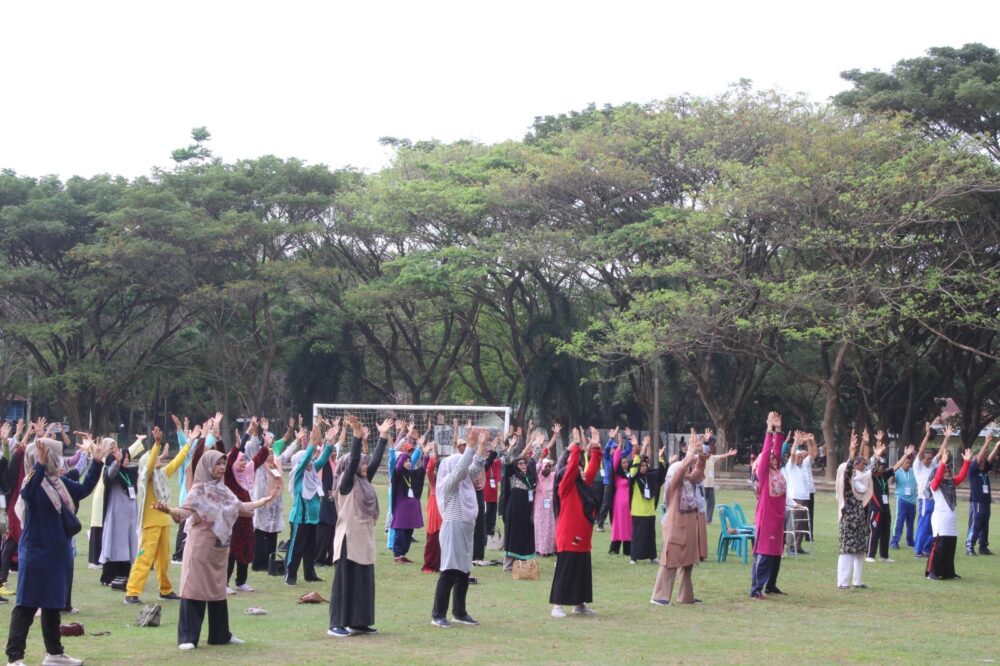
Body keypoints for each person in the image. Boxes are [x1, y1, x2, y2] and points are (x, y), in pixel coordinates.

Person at [155, 448, 277, 650]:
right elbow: (184, 512)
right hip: (200, 548)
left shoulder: (224, 490)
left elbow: (240, 507)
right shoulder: (199, 491)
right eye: (218, 464)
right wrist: (168, 510)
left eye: (223, 463)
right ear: (207, 466)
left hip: (219, 550)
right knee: (194, 590)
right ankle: (188, 637)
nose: (222, 467)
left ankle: (220, 635)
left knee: (218, 592)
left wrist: (263, 501)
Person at [5, 434, 109, 666]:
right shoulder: (32, 482)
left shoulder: (57, 482)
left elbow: (83, 490)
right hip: (36, 553)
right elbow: (27, 492)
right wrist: (40, 465)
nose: (59, 460)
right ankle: (15, 658)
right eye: (55, 455)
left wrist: (97, 462)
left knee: (53, 604)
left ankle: (54, 654)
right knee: (26, 605)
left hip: (57, 552)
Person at [327, 416, 388, 637]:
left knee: (363, 581)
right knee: (344, 583)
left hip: (364, 540)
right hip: (347, 540)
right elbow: (353, 461)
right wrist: (355, 435)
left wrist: (382, 437)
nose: (365, 465)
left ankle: (359, 622)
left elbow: (374, 461)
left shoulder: (364, 481)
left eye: (365, 462)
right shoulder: (346, 483)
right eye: (361, 463)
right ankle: (336, 624)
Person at [124, 425, 193, 604]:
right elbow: (148, 465)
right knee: (145, 558)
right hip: (150, 523)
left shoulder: (160, 475)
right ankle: (132, 592)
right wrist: (156, 444)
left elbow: (177, 462)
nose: (159, 460)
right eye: (154, 459)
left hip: (163, 522)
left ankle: (165, 589)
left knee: (163, 561)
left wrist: (189, 443)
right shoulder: (145, 478)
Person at [431, 429, 488, 628]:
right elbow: (460, 471)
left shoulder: (465, 483)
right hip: (453, 526)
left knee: (464, 570)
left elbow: (474, 468)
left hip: (466, 526)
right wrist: (470, 448)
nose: (464, 471)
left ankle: (459, 612)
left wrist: (481, 446)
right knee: (449, 570)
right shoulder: (449, 483)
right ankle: (438, 614)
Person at [549, 427, 602, 618]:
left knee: (582, 571)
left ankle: (579, 604)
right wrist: (576, 447)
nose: (582, 472)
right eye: (580, 469)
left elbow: (593, 469)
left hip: (584, 539)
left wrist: (595, 449)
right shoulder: (565, 487)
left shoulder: (582, 487)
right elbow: (571, 469)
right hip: (568, 536)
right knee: (566, 570)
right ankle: (557, 605)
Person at [650, 438, 705, 604]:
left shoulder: (688, 480)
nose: (687, 471)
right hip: (675, 524)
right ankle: (659, 596)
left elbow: (698, 473)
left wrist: (700, 455)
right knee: (670, 561)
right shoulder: (674, 485)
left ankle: (686, 597)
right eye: (684, 469)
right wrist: (689, 454)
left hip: (689, 524)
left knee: (688, 562)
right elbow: (680, 470)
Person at [285, 425, 335, 585]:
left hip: (313, 519)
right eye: (307, 460)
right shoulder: (298, 474)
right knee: (297, 548)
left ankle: (309, 574)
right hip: (300, 518)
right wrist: (312, 443)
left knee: (310, 549)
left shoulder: (312, 471)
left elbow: (323, 457)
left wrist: (329, 442)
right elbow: (306, 458)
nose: (310, 462)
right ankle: (290, 575)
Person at [223, 427, 271, 593]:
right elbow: (229, 462)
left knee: (245, 548)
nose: (243, 462)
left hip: (246, 519)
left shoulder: (246, 474)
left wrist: (265, 446)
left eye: (244, 460)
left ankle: (241, 581)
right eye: (240, 460)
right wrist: (238, 445)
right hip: (232, 520)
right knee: (231, 551)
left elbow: (257, 461)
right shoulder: (228, 476)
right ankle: (224, 584)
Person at [750, 411, 792, 599]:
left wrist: (779, 429)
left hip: (778, 517)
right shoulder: (764, 474)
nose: (775, 459)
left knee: (776, 552)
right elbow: (768, 452)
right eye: (771, 459)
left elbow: (776, 450)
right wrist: (769, 430)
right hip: (766, 517)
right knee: (765, 552)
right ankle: (756, 589)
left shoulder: (777, 470)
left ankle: (771, 585)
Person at [249, 419, 297, 572]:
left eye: (271, 453)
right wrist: (258, 432)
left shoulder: (277, 463)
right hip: (262, 505)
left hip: (275, 508)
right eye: (267, 452)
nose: (270, 455)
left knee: (272, 536)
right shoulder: (258, 466)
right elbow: (253, 446)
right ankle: (258, 564)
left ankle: (270, 563)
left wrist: (297, 439)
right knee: (260, 535)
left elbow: (288, 451)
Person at [926, 444, 971, 580]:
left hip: (951, 519)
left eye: (948, 471)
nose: (947, 473)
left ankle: (948, 572)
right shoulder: (934, 485)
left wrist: (967, 462)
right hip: (940, 519)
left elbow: (962, 476)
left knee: (950, 546)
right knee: (938, 546)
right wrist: (942, 464)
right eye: (944, 471)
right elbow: (938, 479)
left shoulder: (951, 483)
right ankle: (932, 572)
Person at [99, 440, 139, 586]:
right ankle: (109, 576)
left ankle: (125, 575)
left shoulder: (132, 474)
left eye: (128, 457)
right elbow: (110, 474)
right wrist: (116, 462)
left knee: (128, 546)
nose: (127, 460)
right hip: (117, 518)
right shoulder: (114, 473)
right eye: (124, 458)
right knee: (115, 545)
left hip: (130, 519)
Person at [836, 432, 872, 589]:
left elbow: (870, 469)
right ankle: (843, 582)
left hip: (859, 521)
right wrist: (851, 454)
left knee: (859, 552)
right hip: (849, 522)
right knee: (847, 552)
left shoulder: (859, 482)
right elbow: (849, 470)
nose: (860, 470)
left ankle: (857, 581)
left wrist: (868, 447)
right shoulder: (846, 486)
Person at [865, 431, 908, 563]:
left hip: (885, 509)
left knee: (885, 532)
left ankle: (884, 555)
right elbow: (871, 463)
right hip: (875, 509)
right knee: (874, 532)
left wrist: (905, 455)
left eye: (883, 466)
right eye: (881, 466)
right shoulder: (871, 476)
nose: (883, 468)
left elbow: (895, 467)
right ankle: (870, 555)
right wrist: (877, 449)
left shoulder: (884, 476)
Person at [501, 433, 538, 571]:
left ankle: (523, 563)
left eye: (525, 463)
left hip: (526, 513)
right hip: (514, 512)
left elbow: (535, 458)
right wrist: (510, 447)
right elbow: (507, 459)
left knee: (524, 535)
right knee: (513, 536)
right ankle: (508, 565)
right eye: (521, 463)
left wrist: (535, 443)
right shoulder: (512, 475)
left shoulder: (529, 477)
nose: (524, 465)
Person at [390, 437, 425, 564]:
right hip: (401, 508)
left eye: (410, 461)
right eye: (406, 461)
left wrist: (425, 455)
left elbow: (423, 471)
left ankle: (403, 555)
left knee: (409, 532)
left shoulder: (411, 474)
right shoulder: (397, 474)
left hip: (411, 510)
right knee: (400, 531)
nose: (409, 462)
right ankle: (397, 556)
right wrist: (405, 452)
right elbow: (398, 466)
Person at [913, 423, 943, 558]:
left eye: (931, 458)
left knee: (932, 525)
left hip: (934, 499)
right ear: (922, 459)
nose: (929, 460)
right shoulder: (918, 466)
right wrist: (927, 434)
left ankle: (926, 549)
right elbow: (921, 451)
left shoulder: (933, 465)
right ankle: (918, 551)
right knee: (923, 525)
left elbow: (941, 453)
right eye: (927, 458)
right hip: (924, 499)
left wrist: (947, 439)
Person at [966, 432, 998, 556]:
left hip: (986, 502)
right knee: (977, 522)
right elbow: (980, 457)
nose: (983, 460)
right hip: (977, 501)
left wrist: (996, 447)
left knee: (985, 523)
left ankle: (983, 547)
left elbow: (989, 457)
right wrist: (986, 443)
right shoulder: (973, 470)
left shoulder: (984, 470)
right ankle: (970, 546)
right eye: (980, 459)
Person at [607, 432, 634, 556]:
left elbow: (636, 459)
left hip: (629, 504)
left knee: (628, 525)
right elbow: (616, 460)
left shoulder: (629, 474)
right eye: (623, 462)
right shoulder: (617, 475)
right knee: (619, 525)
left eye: (626, 462)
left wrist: (630, 440)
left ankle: (628, 549)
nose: (625, 464)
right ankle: (614, 548)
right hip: (619, 503)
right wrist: (619, 445)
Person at [890, 444, 918, 551]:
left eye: (910, 463)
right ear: (902, 463)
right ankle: (894, 541)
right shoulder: (897, 472)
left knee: (910, 523)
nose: (908, 464)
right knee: (899, 521)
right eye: (906, 463)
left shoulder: (913, 471)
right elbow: (891, 480)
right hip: (901, 500)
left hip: (912, 501)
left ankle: (910, 541)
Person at [422, 441, 442, 572]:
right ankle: (429, 565)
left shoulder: (449, 480)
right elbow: (429, 470)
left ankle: (442, 565)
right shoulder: (434, 481)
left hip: (445, 512)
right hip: (435, 512)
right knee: (433, 540)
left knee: (444, 541)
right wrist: (433, 455)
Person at [534, 452, 557, 557]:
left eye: (549, 466)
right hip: (540, 506)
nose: (547, 468)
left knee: (551, 527)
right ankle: (540, 549)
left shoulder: (553, 476)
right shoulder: (537, 477)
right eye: (545, 466)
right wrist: (541, 458)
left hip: (551, 506)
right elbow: (535, 468)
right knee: (540, 527)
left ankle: (551, 549)